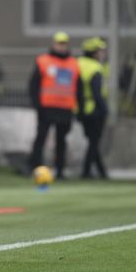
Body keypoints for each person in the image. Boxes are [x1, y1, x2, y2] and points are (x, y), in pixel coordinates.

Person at [28, 31, 83, 179]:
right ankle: (35, 167)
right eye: (59, 43)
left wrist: (79, 107)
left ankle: (60, 170)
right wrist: (36, 104)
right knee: (41, 138)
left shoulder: (74, 63)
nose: (61, 46)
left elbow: (79, 87)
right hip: (46, 107)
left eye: (64, 43)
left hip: (65, 108)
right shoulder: (43, 61)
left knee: (61, 141)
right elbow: (34, 85)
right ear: (53, 44)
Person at [78, 37, 109, 179]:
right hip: (95, 109)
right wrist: (104, 108)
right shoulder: (95, 67)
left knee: (92, 141)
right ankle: (86, 171)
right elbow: (96, 92)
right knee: (94, 142)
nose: (103, 53)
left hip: (80, 108)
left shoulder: (78, 63)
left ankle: (101, 172)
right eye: (101, 51)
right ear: (94, 52)